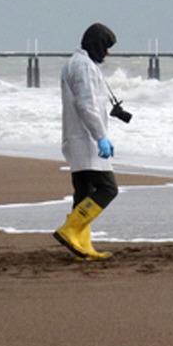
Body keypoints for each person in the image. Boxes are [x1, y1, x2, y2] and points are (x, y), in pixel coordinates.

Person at [53, 23, 120, 260]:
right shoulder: (83, 67)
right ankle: (70, 230)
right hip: (86, 139)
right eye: (106, 48)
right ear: (97, 45)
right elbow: (87, 104)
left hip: (77, 139)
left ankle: (82, 245)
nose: (107, 53)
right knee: (107, 189)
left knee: (83, 192)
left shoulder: (76, 64)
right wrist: (100, 136)